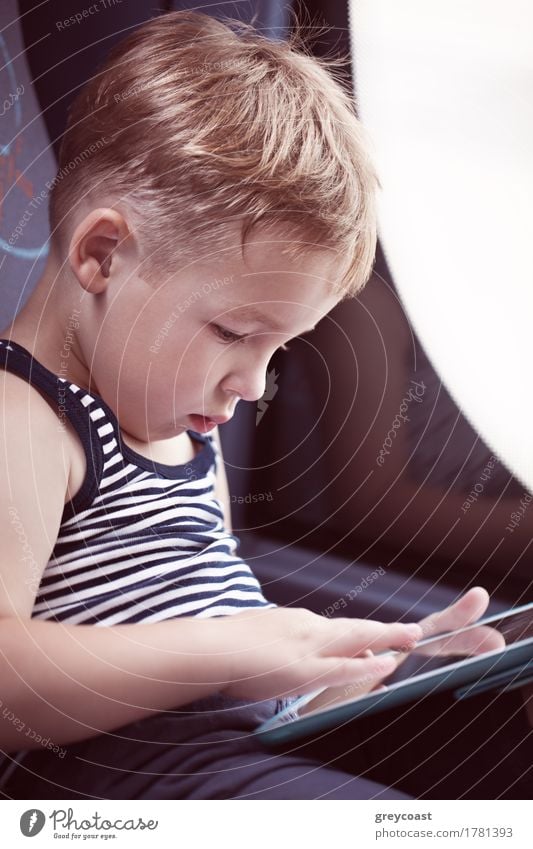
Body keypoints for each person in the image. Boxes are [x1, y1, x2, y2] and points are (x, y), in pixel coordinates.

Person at [0, 10, 530, 800]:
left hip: (242, 757)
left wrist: (365, 673)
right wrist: (230, 648)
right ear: (104, 254)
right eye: (232, 332)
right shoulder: (25, 418)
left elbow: (234, 691)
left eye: (277, 348)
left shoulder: (183, 434)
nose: (253, 384)